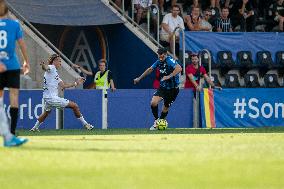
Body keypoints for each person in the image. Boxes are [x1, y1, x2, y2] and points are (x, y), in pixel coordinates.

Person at [30, 54, 94, 132]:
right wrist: (43, 65)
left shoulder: (55, 74)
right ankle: (86, 125)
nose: (60, 63)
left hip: (48, 97)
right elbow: (46, 67)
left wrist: (76, 83)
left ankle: (34, 128)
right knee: (75, 106)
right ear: (54, 61)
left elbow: (63, 86)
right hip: (52, 98)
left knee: (46, 113)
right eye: (59, 61)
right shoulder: (52, 68)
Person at [0, 0, 30, 136]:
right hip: (12, 65)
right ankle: (12, 131)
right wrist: (26, 61)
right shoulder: (14, 24)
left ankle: (3, 130)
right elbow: (22, 44)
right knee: (14, 97)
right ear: (8, 11)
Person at [134, 47, 182, 130]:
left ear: (166, 55)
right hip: (163, 87)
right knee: (153, 103)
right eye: (159, 56)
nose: (160, 58)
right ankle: (156, 121)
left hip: (173, 89)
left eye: (162, 56)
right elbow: (150, 69)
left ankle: (160, 122)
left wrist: (168, 76)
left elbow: (179, 68)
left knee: (165, 107)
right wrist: (139, 78)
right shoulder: (158, 62)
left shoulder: (170, 61)